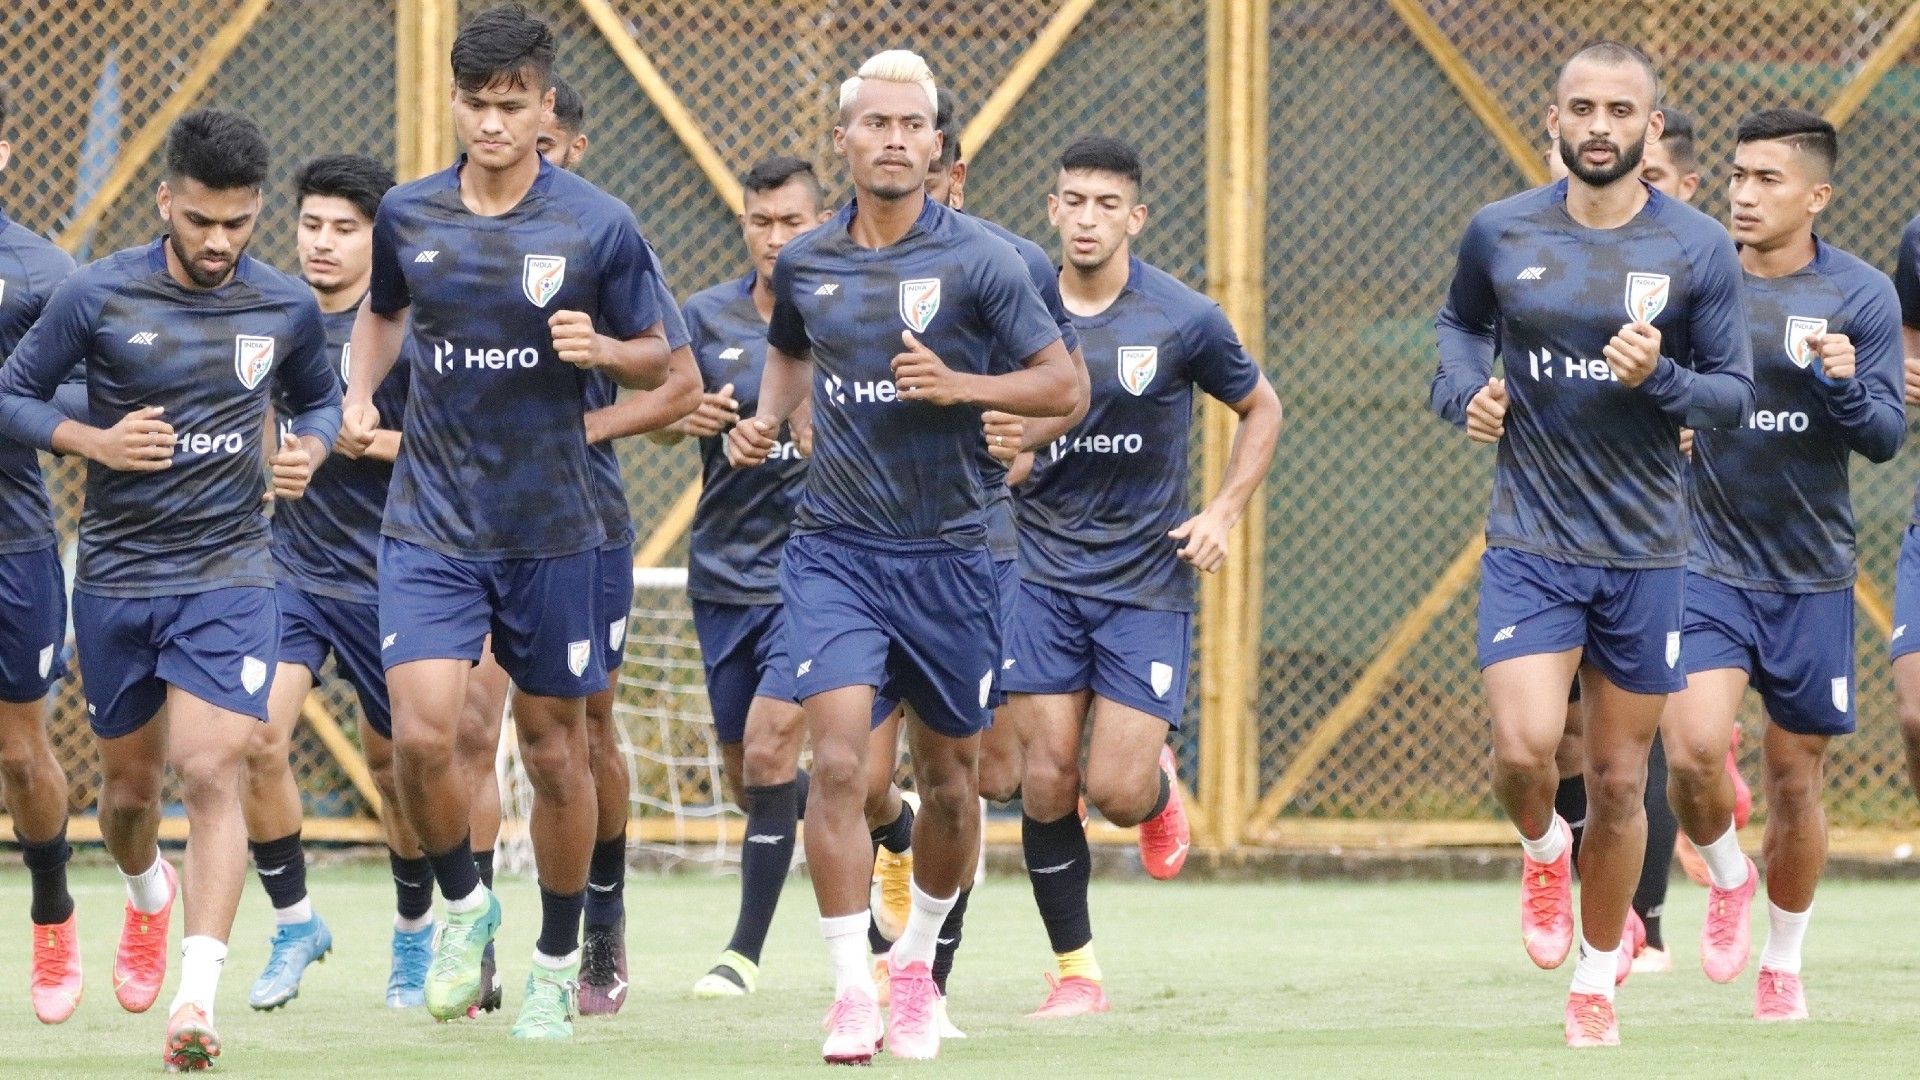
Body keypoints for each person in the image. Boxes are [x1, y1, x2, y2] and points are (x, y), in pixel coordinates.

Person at [725, 49, 1079, 1062]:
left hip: (953, 555)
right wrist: (767, 416)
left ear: (935, 143)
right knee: (833, 761)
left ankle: (916, 967)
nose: (890, 139)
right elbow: (791, 347)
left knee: (956, 782)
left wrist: (963, 389)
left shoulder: (982, 263)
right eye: (872, 123)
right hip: (834, 549)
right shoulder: (807, 261)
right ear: (844, 140)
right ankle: (849, 989)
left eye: (908, 125)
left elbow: (1061, 387)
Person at [340, 3, 671, 1040]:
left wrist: (603, 354)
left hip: (556, 528)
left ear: (544, 108)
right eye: (476, 104)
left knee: (554, 749)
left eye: (511, 105)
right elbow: (384, 314)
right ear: (455, 101)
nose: (491, 124)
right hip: (433, 520)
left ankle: (554, 962)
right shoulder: (409, 215)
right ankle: (464, 903)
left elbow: (661, 358)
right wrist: (358, 392)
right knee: (421, 739)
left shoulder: (597, 224)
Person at [0, 109, 340, 1070]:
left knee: (211, 767)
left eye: (237, 222)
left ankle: (196, 1004)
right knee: (127, 795)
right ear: (166, 203)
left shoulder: (283, 306)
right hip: (114, 577)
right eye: (200, 221)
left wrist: (308, 448)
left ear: (258, 211)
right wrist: (95, 442)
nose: (219, 242)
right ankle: (146, 893)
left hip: (230, 573)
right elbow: (13, 394)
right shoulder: (97, 293)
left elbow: (315, 396)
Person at [1430, 42, 1752, 1047]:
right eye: (1583, 107)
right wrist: (1465, 394)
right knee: (1526, 749)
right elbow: (1455, 328)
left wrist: (1660, 377)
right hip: (1530, 538)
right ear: (1554, 118)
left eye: (1622, 110)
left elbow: (1732, 398)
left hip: (1650, 551)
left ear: (1650, 128)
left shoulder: (1698, 249)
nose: (1601, 126)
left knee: (1620, 783)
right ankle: (1539, 848)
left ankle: (1596, 980)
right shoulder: (1501, 231)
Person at [999, 135, 1280, 1019]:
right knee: (1046, 777)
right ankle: (1076, 972)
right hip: (1039, 572)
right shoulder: (1014, 305)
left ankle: (1154, 788)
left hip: (1145, 582)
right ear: (1052, 209)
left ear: (1136, 217)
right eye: (1073, 201)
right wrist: (997, 454)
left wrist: (1222, 512)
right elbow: (987, 421)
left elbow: (1261, 406)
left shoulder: (1183, 317)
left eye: (1106, 204)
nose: (1087, 219)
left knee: (1112, 793)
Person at [862, 93, 1091, 1031]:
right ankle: (890, 838)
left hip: (976, 544)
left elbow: (1062, 390)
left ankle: (924, 983)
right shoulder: (849, 259)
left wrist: (1021, 436)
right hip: (864, 546)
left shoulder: (1006, 265)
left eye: (935, 153)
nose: (923, 170)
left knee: (981, 768)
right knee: (861, 773)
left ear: (951, 165)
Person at [1665, 108, 1900, 1020]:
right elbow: (1651, 388)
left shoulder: (1861, 295)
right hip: (1704, 561)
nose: (1744, 194)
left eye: (1767, 179)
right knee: (1689, 753)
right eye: (1736, 176)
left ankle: (1785, 964)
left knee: (1795, 779)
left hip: (1811, 575)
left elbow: (1883, 436)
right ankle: (1728, 875)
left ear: (1817, 195)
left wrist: (1842, 383)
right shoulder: (1694, 280)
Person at [234, 153, 433, 1011]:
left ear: (377, 238)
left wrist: (372, 444)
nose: (322, 243)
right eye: (311, 224)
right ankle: (294, 922)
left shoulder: (410, 331)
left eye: (344, 229)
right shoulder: (276, 318)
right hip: (293, 570)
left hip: (398, 575)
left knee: (398, 773)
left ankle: (418, 930)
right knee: (254, 740)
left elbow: (460, 454)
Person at [533, 71, 702, 1015]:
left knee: (584, 725)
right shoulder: (443, 226)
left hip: (581, 522)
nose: (526, 159)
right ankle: (458, 924)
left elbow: (678, 387)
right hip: (460, 527)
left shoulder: (604, 236)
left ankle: (598, 924)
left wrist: (587, 425)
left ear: (574, 150)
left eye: (548, 146)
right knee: (461, 728)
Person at [667, 155, 829, 999]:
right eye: (760, 222)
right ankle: (884, 820)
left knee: (770, 749)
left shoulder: (851, 315)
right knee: (747, 774)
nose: (775, 239)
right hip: (724, 573)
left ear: (819, 219)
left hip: (821, 576)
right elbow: (664, 416)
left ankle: (742, 954)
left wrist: (810, 430)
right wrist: (682, 418)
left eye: (792, 222)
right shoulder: (705, 315)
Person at [0, 81, 82, 1026]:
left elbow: (84, 404)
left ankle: (54, 913)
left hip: (15, 539)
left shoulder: (43, 271)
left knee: (22, 755)